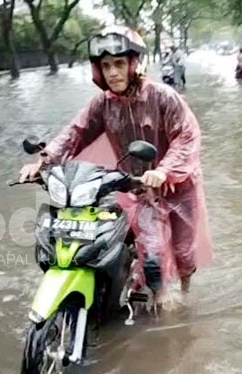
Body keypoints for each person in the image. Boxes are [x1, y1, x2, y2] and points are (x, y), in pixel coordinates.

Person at [18, 25, 212, 298]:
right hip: (139, 188)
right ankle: (159, 302)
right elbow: (75, 133)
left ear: (134, 64)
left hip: (179, 186)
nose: (113, 72)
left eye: (119, 63)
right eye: (106, 65)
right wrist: (43, 163)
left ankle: (186, 291)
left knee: (183, 252)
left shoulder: (163, 96)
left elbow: (187, 136)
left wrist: (164, 171)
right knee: (153, 258)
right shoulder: (103, 104)